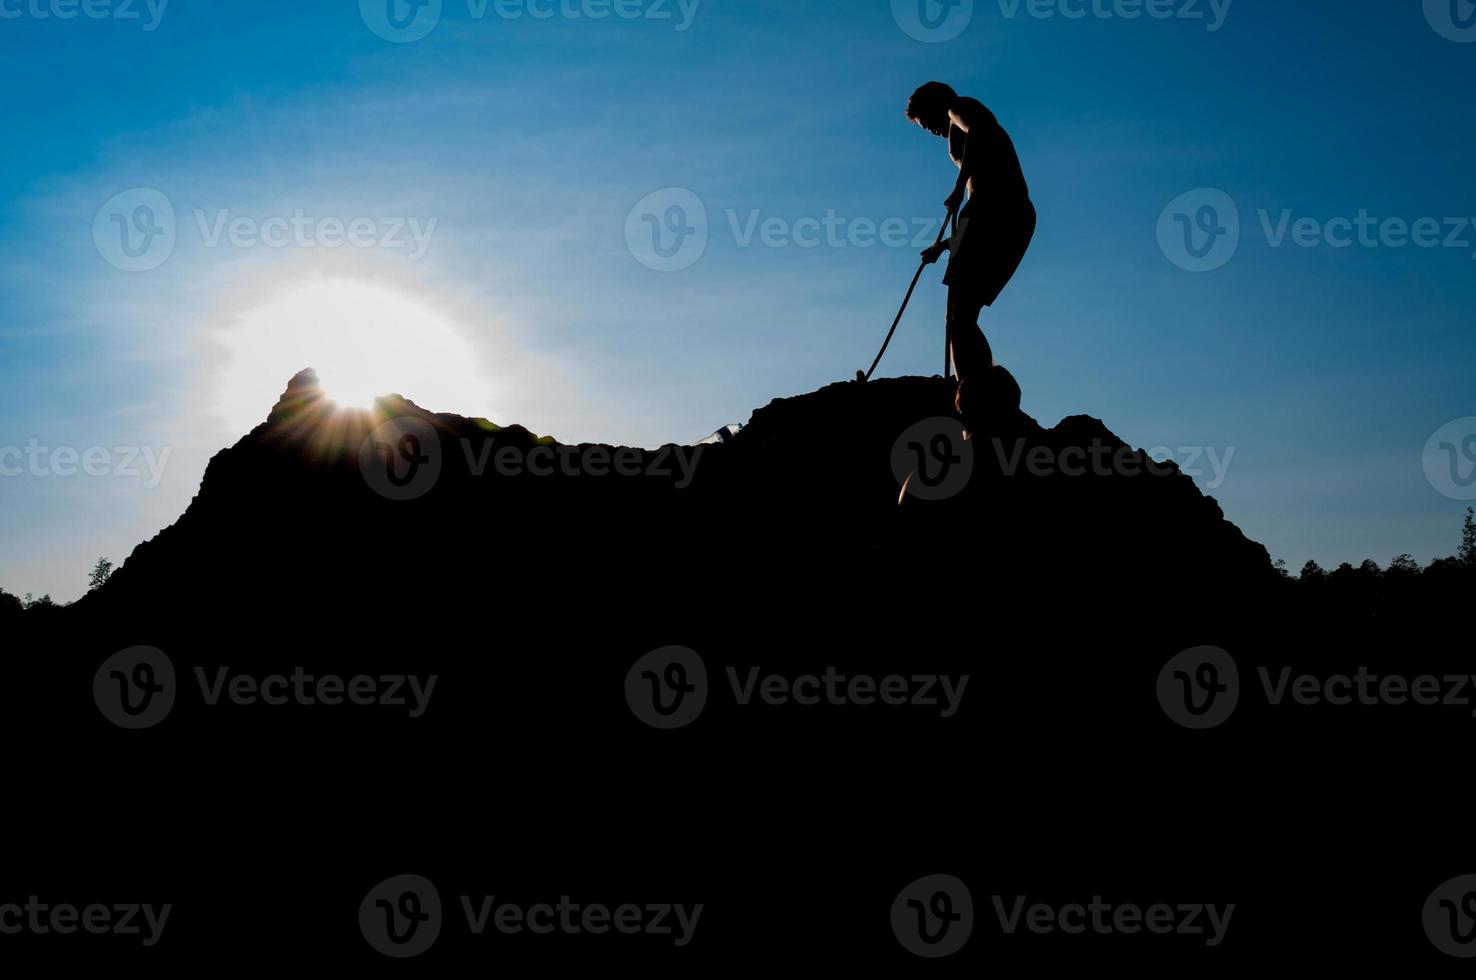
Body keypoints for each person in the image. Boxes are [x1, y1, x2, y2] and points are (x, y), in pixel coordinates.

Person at [907, 82, 1035, 416]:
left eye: (927, 122)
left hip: (998, 212)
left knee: (960, 317)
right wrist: (945, 245)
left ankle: (976, 397)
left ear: (937, 104)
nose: (933, 131)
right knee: (961, 317)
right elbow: (976, 204)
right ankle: (977, 391)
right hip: (994, 214)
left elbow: (982, 130)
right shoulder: (959, 128)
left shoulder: (960, 108)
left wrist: (958, 183)